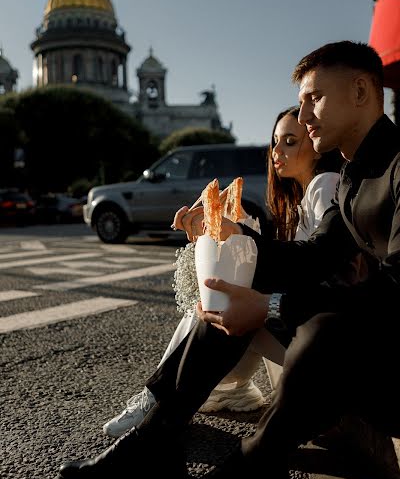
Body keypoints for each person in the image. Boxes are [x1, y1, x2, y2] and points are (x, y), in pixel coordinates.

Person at [59, 40, 398, 479]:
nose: (303, 116)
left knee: (323, 328)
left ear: (361, 91)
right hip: (362, 345)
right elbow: (313, 257)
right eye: (300, 102)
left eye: (313, 98)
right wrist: (234, 234)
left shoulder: (397, 165)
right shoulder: (355, 175)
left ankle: (249, 467)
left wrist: (273, 307)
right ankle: (156, 438)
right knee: (229, 297)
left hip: (387, 361)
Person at [102, 105, 343, 437]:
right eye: (275, 142)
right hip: (298, 332)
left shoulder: (325, 184)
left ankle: (157, 401)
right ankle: (226, 390)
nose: (277, 152)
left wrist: (240, 236)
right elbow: (282, 260)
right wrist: (237, 227)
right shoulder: (295, 202)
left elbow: (310, 263)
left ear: (317, 148)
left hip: (317, 338)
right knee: (221, 298)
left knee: (224, 297)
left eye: (290, 141)